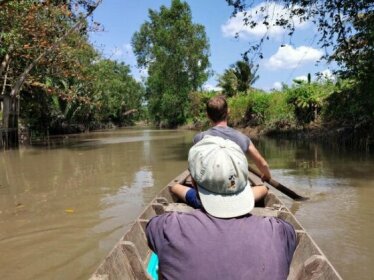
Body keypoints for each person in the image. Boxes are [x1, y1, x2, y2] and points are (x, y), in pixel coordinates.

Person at [146, 136, 296, 280]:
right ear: (244, 181)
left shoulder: (167, 226)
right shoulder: (279, 231)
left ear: (193, 182)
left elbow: (151, 229)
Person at [171, 95, 270, 208]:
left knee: (174, 187)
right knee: (264, 189)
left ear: (208, 115)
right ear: (228, 111)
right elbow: (263, 164)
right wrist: (266, 176)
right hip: (236, 196)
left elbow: (194, 167)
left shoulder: (200, 138)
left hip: (205, 201)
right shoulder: (242, 138)